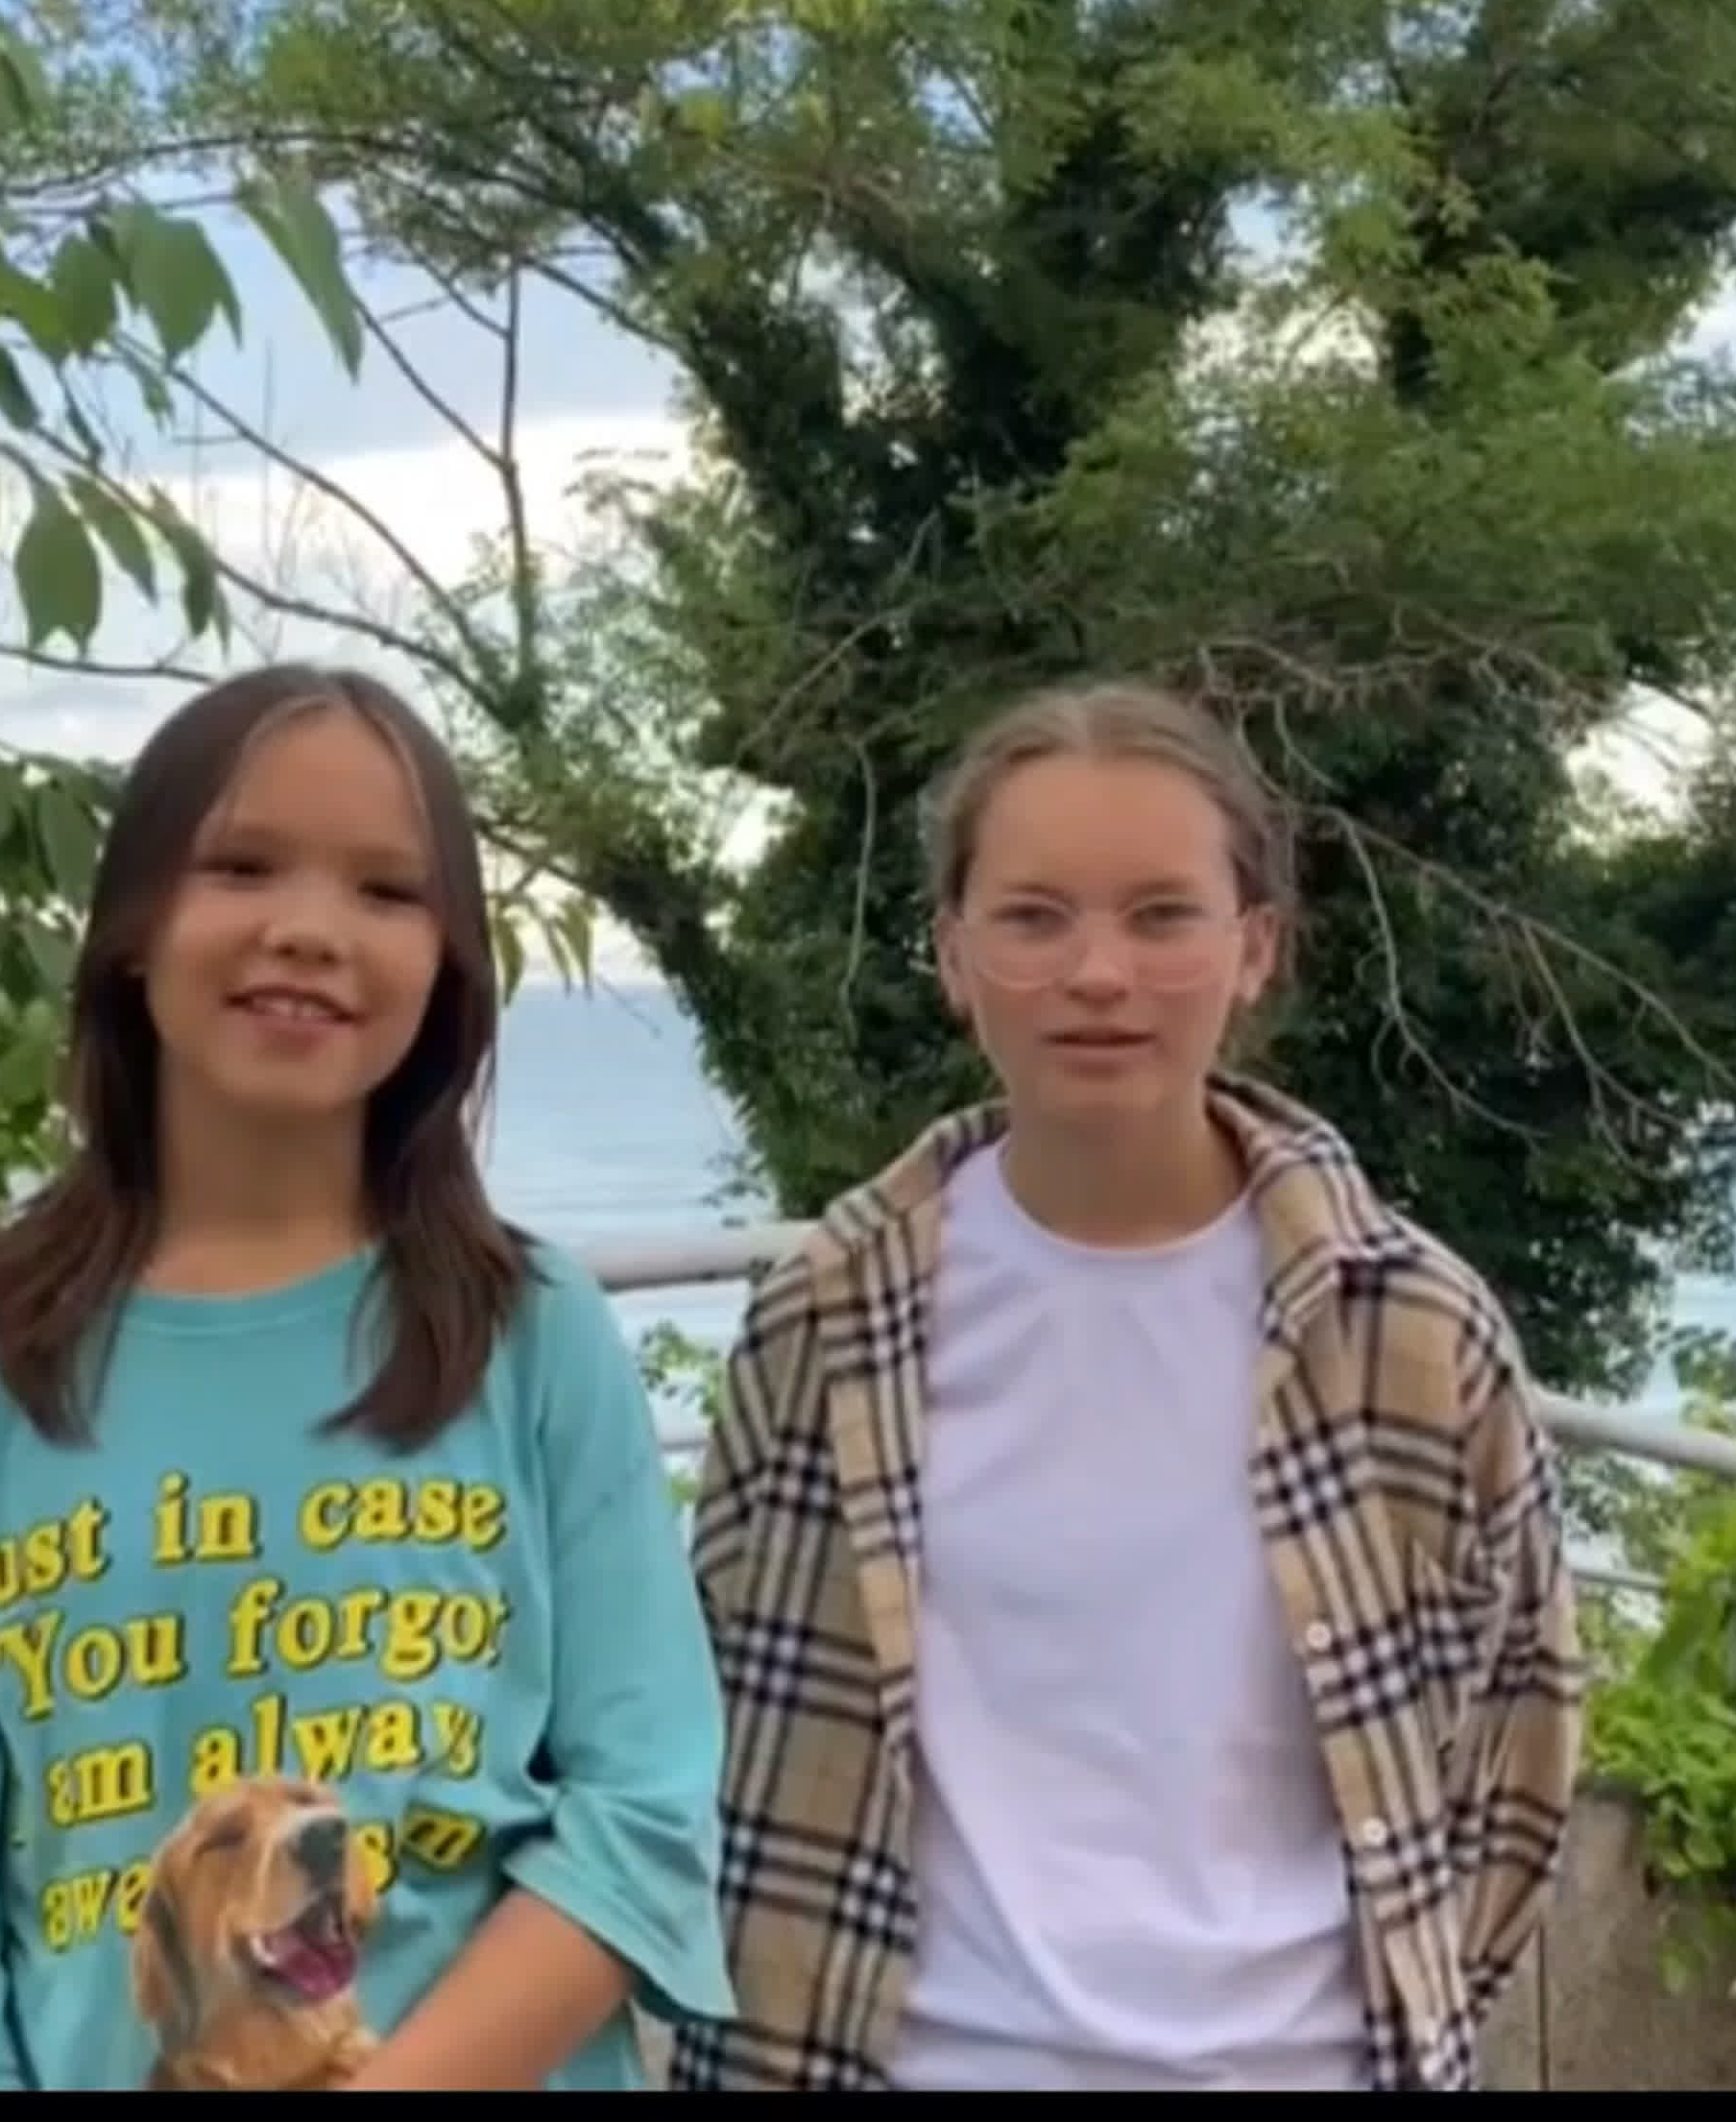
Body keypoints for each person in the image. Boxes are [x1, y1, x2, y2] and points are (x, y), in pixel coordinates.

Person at [0, 663, 733, 2091]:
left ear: (448, 965)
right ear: (132, 930)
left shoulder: (534, 1335)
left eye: (387, 891)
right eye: (242, 865)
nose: (310, 930)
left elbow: (643, 1815)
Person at [668, 680, 1585, 2094]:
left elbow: (1517, 1751)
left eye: (1163, 915)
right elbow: (725, 1710)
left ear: (1254, 947)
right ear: (954, 954)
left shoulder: (1410, 1332)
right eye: (1034, 917)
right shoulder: (828, 1317)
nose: (1099, 973)